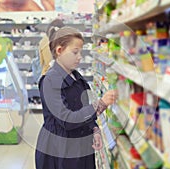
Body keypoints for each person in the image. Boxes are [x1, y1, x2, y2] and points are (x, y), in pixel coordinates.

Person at [35, 26, 118, 169]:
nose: (80, 56)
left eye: (81, 51)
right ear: (59, 51)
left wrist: (94, 129)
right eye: (75, 52)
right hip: (59, 149)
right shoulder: (49, 81)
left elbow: (84, 108)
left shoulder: (77, 78)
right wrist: (102, 103)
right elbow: (66, 120)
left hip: (81, 145)